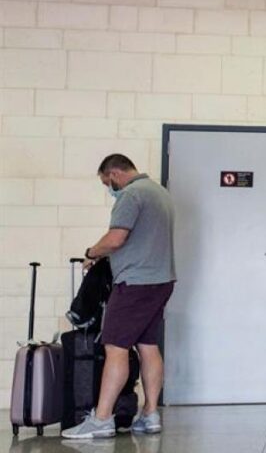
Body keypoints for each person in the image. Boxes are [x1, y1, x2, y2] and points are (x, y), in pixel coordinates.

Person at [62, 154, 176, 439]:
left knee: (115, 346)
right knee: (148, 345)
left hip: (135, 284)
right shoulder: (160, 193)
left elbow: (116, 238)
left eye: (106, 182)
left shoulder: (131, 194)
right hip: (161, 280)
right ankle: (150, 415)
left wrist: (91, 252)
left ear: (114, 173)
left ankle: (100, 420)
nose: (108, 187)